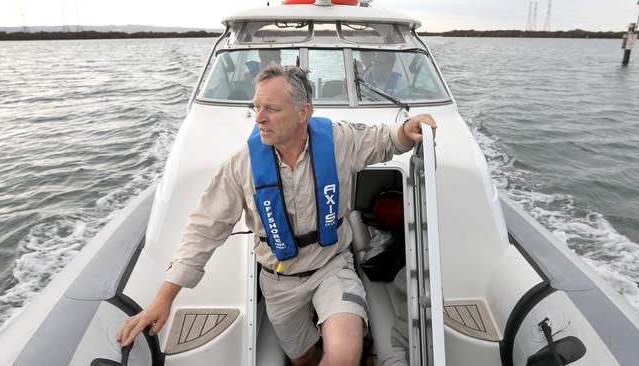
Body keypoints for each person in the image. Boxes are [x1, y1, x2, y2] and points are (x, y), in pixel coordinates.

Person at [117, 64, 436, 366]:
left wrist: (408, 129)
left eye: (271, 108)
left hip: (332, 266)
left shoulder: (339, 140)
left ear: (303, 113)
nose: (259, 118)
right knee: (301, 358)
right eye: (256, 107)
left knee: (342, 354)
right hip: (278, 280)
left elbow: (386, 139)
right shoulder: (241, 166)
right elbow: (204, 229)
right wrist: (164, 298)